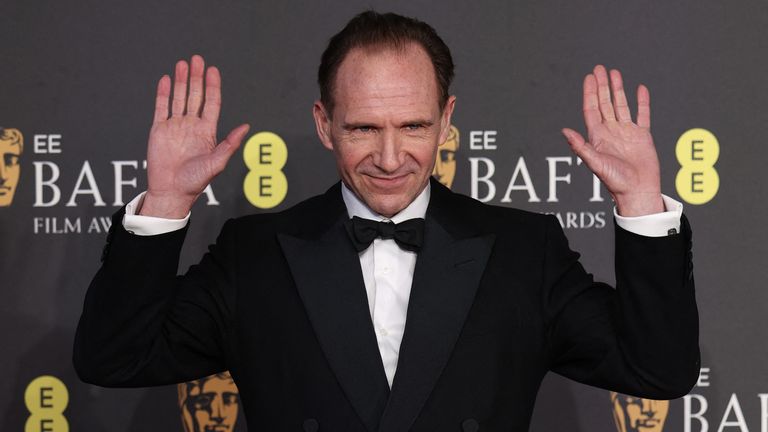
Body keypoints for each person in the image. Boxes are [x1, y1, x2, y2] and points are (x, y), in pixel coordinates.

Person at [74, 11, 699, 432]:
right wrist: (165, 204)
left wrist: (641, 202)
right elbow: (114, 360)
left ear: (447, 118)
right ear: (324, 124)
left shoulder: (520, 250)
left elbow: (657, 370)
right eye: (364, 128)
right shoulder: (256, 252)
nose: (391, 158)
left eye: (415, 127)